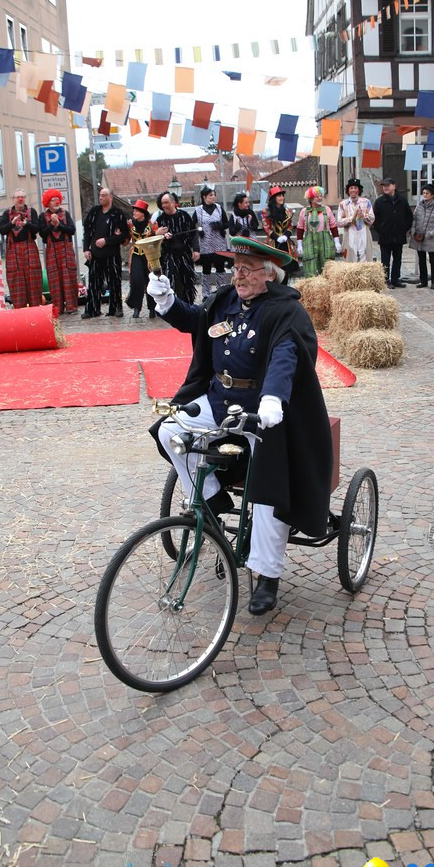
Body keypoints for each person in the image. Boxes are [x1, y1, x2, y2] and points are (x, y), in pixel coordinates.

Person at [147, 235, 332, 616]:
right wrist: (166, 301)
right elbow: (197, 323)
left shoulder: (285, 311)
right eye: (236, 268)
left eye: (246, 270)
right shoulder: (227, 301)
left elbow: (287, 354)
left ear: (270, 275)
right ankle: (214, 500)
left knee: (267, 487)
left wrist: (273, 397)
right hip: (219, 398)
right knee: (171, 431)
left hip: (264, 411)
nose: (238, 276)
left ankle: (266, 574)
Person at [81, 187, 129, 319]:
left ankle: (116, 308)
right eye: (100, 195)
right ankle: (92, 309)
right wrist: (86, 249)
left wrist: (106, 241)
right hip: (95, 254)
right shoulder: (94, 212)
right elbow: (87, 232)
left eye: (104, 195)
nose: (101, 197)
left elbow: (125, 235)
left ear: (110, 197)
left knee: (114, 282)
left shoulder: (118, 213)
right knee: (94, 283)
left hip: (111, 254)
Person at [0, 189, 43, 309]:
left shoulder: (31, 211)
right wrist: (12, 223)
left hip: (29, 247)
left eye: (22, 196)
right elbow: (2, 230)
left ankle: (36, 310)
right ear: (13, 199)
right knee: (16, 282)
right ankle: (20, 311)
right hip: (13, 249)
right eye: (18, 197)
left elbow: (37, 228)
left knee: (33, 281)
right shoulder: (6, 214)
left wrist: (27, 224)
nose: (20, 199)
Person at [153, 190, 199, 304]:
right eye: (162, 203)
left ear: (173, 203)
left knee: (187, 280)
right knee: (170, 280)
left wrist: (196, 250)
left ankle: (188, 304)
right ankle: (172, 305)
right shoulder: (160, 220)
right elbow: (153, 240)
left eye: (166, 202)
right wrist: (158, 234)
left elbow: (194, 234)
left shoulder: (184, 216)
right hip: (168, 255)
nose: (164, 205)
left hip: (184, 254)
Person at [39, 189, 78, 315]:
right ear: (47, 203)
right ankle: (58, 308)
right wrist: (51, 224)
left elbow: (72, 230)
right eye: (52, 199)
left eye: (57, 199)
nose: (56, 202)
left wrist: (59, 224)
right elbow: (42, 234)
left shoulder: (65, 214)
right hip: (52, 250)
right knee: (54, 279)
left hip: (66, 249)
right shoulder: (42, 216)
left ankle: (71, 307)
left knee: (69, 277)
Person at [373, 178, 413, 288]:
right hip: (385, 236)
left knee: (398, 259)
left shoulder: (402, 200)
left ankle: (396, 279)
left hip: (398, 235)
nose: (385, 187)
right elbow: (375, 219)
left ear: (394, 186)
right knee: (385, 260)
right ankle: (386, 280)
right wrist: (381, 229)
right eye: (384, 186)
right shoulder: (380, 201)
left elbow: (409, 216)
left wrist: (404, 228)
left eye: (388, 185)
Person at [296, 186, 341, 278]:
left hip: (325, 241)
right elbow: (300, 228)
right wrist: (299, 244)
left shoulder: (327, 210)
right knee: (310, 264)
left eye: (321, 196)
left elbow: (333, 226)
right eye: (317, 196)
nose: (320, 198)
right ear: (311, 198)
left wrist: (337, 242)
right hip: (310, 241)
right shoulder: (304, 211)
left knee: (326, 264)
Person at [193, 184, 229, 298]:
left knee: (220, 268)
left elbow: (227, 223)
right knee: (206, 270)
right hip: (205, 244)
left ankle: (222, 291)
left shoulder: (219, 208)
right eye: (210, 195)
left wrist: (220, 225)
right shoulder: (198, 210)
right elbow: (192, 225)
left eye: (214, 195)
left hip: (219, 243)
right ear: (204, 197)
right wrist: (199, 231)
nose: (213, 197)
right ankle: (205, 293)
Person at [410, 182, 434, 289]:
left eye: (427, 193)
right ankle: (423, 280)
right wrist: (413, 230)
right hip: (419, 236)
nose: (424, 195)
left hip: (431, 237)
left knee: (433, 260)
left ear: (433, 195)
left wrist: (431, 233)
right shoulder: (420, 205)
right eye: (423, 193)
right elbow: (415, 218)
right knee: (421, 260)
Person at [125, 199, 157, 319]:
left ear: (143, 212)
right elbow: (126, 240)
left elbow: (156, 237)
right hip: (136, 254)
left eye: (137, 210)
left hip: (149, 255)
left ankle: (152, 308)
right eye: (134, 210)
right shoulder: (130, 224)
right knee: (136, 280)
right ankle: (136, 307)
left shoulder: (152, 225)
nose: (134, 212)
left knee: (151, 281)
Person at [337, 179, 374, 262]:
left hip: (363, 230)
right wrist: (351, 219)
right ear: (348, 190)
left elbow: (372, 218)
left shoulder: (366, 202)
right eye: (351, 188)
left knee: (364, 252)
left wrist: (363, 216)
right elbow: (339, 221)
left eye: (355, 188)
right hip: (350, 231)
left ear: (359, 190)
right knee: (350, 253)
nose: (353, 190)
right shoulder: (343, 204)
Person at [261, 184, 296, 260]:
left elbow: (290, 226)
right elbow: (266, 228)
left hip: (286, 243)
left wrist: (286, 236)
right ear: (274, 198)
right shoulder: (266, 212)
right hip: (273, 242)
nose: (282, 198)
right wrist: (277, 238)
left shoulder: (287, 211)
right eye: (279, 196)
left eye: (282, 196)